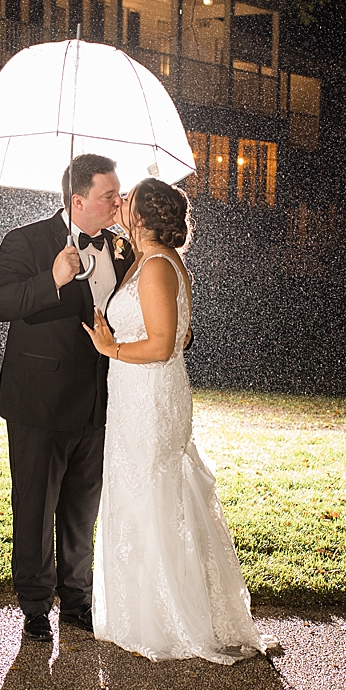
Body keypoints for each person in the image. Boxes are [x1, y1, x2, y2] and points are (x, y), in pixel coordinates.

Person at [82, 178, 269, 663]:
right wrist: (116, 329)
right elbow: (176, 334)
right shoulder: (146, 260)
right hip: (134, 393)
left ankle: (168, 620)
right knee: (138, 489)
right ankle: (139, 612)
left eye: (127, 201)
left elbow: (164, 344)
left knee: (154, 492)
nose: (119, 204)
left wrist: (111, 347)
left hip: (151, 398)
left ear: (143, 217)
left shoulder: (159, 265)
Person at [0, 153, 134, 642]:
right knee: (34, 505)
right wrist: (51, 278)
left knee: (81, 508)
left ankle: (77, 599)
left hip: (100, 400)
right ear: (78, 200)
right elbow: (1, 304)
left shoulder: (121, 248)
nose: (118, 202)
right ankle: (34, 604)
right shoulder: (25, 240)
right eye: (108, 195)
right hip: (39, 402)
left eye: (118, 193)